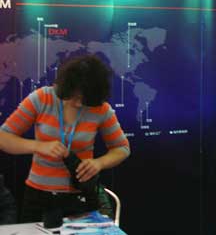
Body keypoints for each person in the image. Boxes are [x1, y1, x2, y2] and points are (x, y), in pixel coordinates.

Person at [0, 54, 131, 223]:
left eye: (85, 99)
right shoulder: (42, 98)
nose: (79, 104)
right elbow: (3, 138)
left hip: (81, 195)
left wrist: (99, 163)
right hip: (39, 195)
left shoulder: (101, 109)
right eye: (75, 97)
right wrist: (38, 146)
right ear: (66, 86)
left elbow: (122, 148)